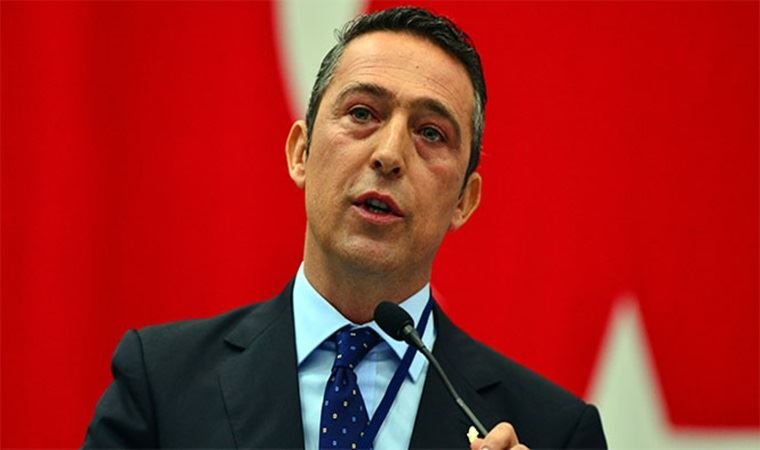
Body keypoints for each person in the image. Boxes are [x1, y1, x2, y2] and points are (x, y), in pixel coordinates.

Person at [84, 6, 606, 450]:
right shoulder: (161, 384)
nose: (389, 154)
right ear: (301, 153)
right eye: (362, 112)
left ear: (464, 202)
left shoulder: (552, 430)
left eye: (430, 132)